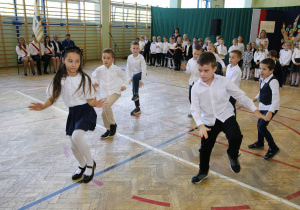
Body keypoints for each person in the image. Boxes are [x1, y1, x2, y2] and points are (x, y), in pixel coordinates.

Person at [28, 46, 108, 183]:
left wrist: (97, 104)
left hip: (85, 111)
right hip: (73, 113)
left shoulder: (84, 79)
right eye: (70, 61)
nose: (74, 64)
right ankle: (82, 165)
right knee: (73, 145)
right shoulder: (59, 78)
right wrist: (42, 106)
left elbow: (90, 101)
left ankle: (90, 164)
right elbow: (52, 98)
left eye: (77, 61)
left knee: (77, 136)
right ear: (63, 60)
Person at [190, 52, 266, 184]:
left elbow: (240, 96)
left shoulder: (224, 81)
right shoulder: (196, 88)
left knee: (236, 136)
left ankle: (233, 154)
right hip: (208, 121)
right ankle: (203, 171)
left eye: (206, 71)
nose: (202, 74)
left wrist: (254, 109)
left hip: (225, 115)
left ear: (215, 69)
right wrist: (200, 125)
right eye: (200, 70)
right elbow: (195, 109)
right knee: (205, 149)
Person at [248, 58, 280, 160]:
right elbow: (261, 91)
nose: (261, 71)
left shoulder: (273, 81)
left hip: (270, 108)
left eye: (264, 69)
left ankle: (273, 147)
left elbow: (276, 98)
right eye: (260, 68)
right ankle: (260, 142)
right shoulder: (262, 78)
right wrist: (255, 99)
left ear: (271, 70)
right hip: (262, 106)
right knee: (259, 125)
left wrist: (270, 112)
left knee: (262, 127)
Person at [92, 48, 127, 139]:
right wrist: (94, 82)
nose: (106, 60)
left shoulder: (116, 69)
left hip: (115, 92)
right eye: (104, 58)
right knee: (103, 113)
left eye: (108, 58)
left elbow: (124, 77)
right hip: (105, 94)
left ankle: (113, 125)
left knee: (106, 105)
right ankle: (108, 129)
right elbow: (93, 76)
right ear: (101, 58)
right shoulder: (100, 69)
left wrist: (123, 85)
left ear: (112, 59)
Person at [125, 41, 147, 116]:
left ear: (139, 49)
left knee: (135, 79)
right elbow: (127, 68)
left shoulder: (141, 57)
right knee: (133, 90)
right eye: (134, 48)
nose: (135, 50)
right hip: (134, 76)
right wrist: (129, 78)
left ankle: (136, 94)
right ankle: (137, 108)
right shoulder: (129, 57)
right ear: (131, 49)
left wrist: (142, 80)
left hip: (141, 74)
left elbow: (144, 69)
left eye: (137, 48)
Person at [180, 45, 203, 117]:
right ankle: (193, 111)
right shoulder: (190, 61)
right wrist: (184, 69)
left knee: (200, 98)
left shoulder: (202, 62)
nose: (196, 55)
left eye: (198, 54)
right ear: (192, 52)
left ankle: (201, 112)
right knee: (190, 97)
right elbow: (188, 71)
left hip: (200, 82)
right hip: (192, 82)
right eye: (195, 53)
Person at [226, 50, 242, 117]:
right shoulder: (229, 66)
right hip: (227, 91)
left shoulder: (237, 71)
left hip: (232, 93)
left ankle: (233, 122)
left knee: (231, 107)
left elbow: (232, 84)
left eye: (233, 57)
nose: (230, 59)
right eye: (230, 57)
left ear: (238, 59)